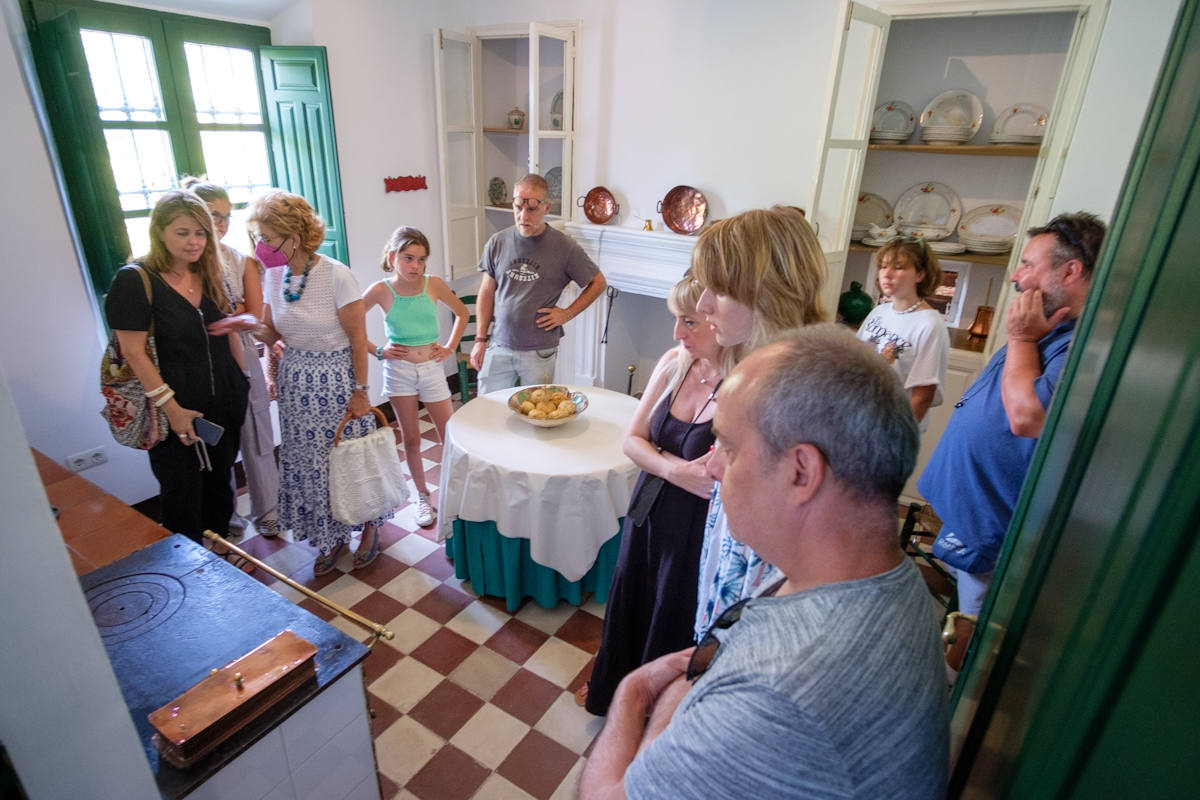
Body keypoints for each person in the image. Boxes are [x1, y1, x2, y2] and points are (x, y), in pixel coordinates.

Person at [581, 325, 949, 799]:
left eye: (729, 448)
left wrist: (632, 696)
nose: (712, 467)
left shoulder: (778, 693)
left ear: (802, 472)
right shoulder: (893, 581)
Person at [919, 212, 1107, 616]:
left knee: (975, 621)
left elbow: (1029, 417)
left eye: (1028, 264)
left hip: (995, 522)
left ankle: (954, 677)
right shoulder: (1044, 322)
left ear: (1071, 271)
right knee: (957, 591)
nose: (1015, 276)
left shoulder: (1083, 344)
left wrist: (1020, 337)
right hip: (970, 508)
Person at [581, 276, 725, 716]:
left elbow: (720, 475)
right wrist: (675, 468)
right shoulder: (672, 363)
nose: (677, 334)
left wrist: (658, 454)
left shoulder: (742, 385)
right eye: (675, 319)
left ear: (720, 323)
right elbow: (632, 441)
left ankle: (655, 714)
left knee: (672, 612)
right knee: (631, 600)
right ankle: (615, 694)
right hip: (647, 511)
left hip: (694, 531)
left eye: (689, 322)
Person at [690, 206, 828, 640]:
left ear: (767, 293)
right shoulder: (758, 368)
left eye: (719, 290)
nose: (701, 304)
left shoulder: (800, 392)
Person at [248, 190, 386, 575]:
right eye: (259, 238)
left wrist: (360, 393)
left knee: (350, 460)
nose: (261, 247)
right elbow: (270, 331)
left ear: (293, 236)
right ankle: (332, 536)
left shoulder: (337, 275)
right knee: (314, 466)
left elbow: (359, 341)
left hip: (338, 383)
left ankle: (370, 528)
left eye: (267, 238)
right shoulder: (274, 276)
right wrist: (243, 324)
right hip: (296, 384)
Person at [104, 190, 249, 547]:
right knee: (183, 503)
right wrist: (174, 411)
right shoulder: (136, 280)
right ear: (160, 232)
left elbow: (220, 332)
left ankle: (222, 570)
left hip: (222, 407)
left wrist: (241, 382)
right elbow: (134, 354)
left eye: (201, 232)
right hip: (173, 415)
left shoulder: (209, 272)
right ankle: (191, 582)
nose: (194, 241)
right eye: (182, 232)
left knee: (220, 495)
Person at [183, 177, 281, 537]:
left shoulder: (240, 260)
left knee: (257, 431)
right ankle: (224, 517)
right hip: (198, 364)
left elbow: (252, 316)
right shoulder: (182, 265)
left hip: (242, 355)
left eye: (225, 216)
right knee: (214, 442)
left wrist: (228, 314)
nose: (220, 224)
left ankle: (268, 508)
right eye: (212, 215)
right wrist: (229, 311)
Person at [362, 227, 469, 528]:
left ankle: (455, 494)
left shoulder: (433, 284)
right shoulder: (381, 289)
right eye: (409, 258)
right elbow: (351, 322)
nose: (415, 266)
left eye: (421, 260)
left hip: (432, 369)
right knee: (410, 438)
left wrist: (448, 347)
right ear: (393, 256)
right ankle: (423, 497)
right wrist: (378, 351)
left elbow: (461, 313)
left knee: (450, 435)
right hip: (399, 372)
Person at [468, 173, 607, 393]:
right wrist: (480, 339)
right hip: (499, 344)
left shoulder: (565, 247)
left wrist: (567, 313)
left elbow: (598, 283)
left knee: (536, 412)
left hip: (539, 351)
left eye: (531, 209)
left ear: (546, 207)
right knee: (488, 409)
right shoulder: (497, 242)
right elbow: (486, 292)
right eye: (518, 207)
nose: (523, 215)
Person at [856, 236, 950, 430]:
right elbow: (854, 359)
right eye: (883, 266)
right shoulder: (879, 311)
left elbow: (923, 396)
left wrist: (897, 438)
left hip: (892, 427)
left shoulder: (930, 324)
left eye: (898, 267)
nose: (886, 274)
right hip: (862, 419)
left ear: (920, 275)